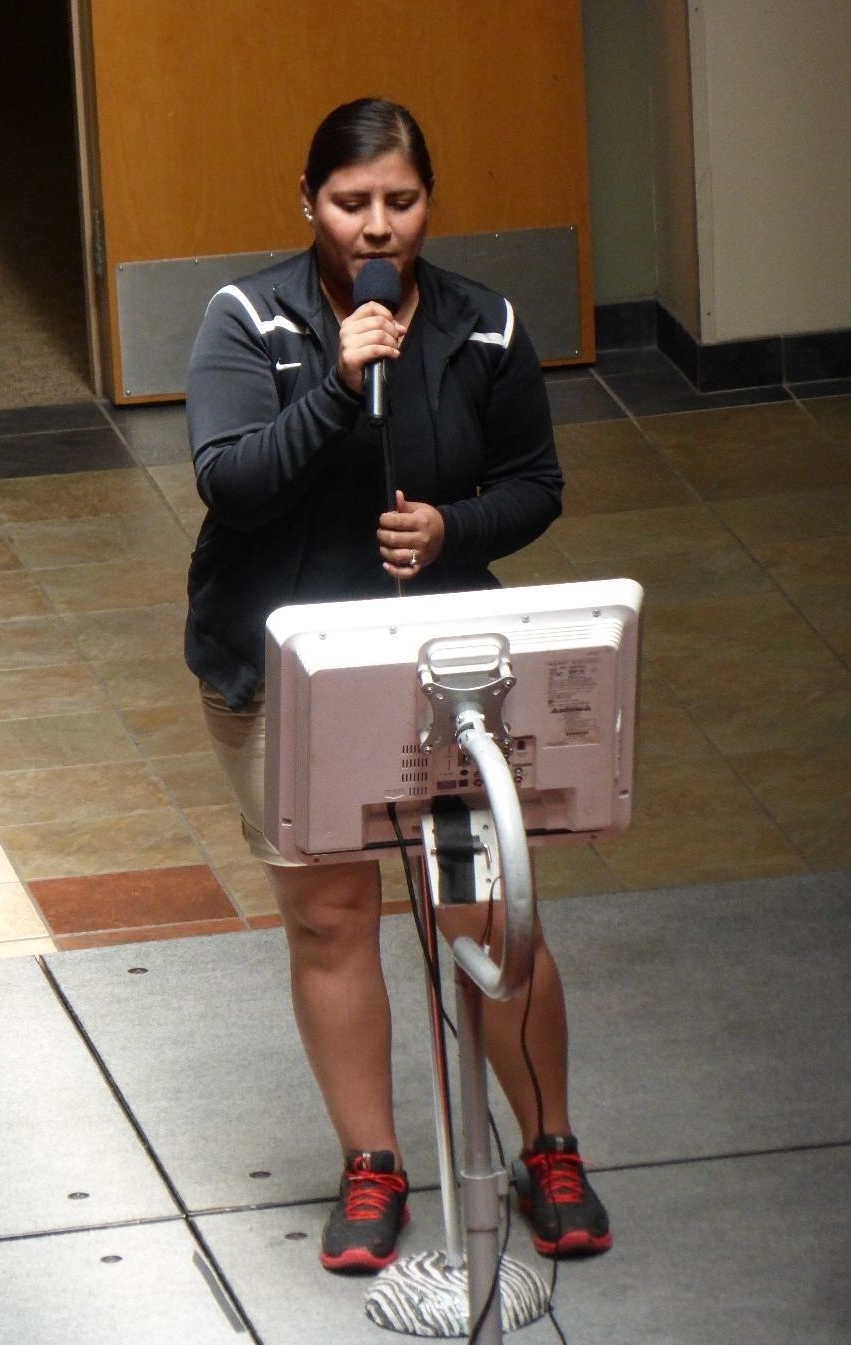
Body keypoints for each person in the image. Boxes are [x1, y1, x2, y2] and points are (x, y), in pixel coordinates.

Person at [184, 97, 612, 1274]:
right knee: (329, 915)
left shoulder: (484, 328)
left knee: (488, 911)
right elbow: (233, 483)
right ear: (308, 205)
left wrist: (452, 524)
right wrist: (336, 380)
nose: (377, 227)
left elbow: (535, 482)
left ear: (428, 202)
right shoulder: (248, 321)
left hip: (446, 681)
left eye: (401, 202)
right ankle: (371, 1163)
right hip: (287, 668)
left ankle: (549, 1148)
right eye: (350, 203)